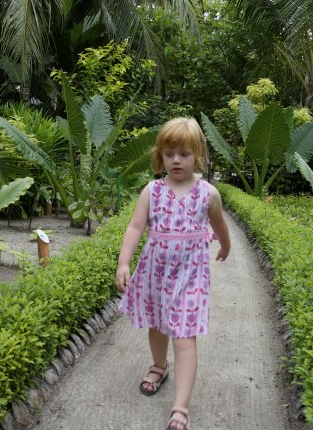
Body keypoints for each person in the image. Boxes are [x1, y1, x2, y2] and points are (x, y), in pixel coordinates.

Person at [115, 117, 231, 430]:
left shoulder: (208, 194)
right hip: (155, 272)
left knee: (184, 336)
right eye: (169, 154)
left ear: (198, 156)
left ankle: (180, 408)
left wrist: (226, 245)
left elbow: (220, 225)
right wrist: (124, 262)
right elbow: (135, 227)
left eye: (184, 153)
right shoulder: (152, 191)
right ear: (160, 156)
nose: (176, 160)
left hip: (191, 276)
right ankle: (158, 365)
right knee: (157, 326)